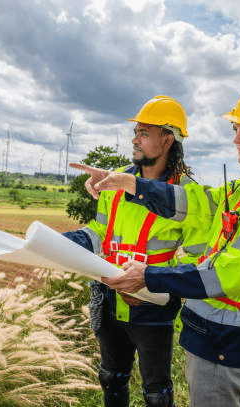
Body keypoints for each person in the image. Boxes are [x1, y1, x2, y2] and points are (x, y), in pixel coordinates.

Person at [74, 80, 240, 406]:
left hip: (225, 335)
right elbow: (195, 204)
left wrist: (150, 278)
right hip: (205, 328)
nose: (237, 138)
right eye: (237, 127)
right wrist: (129, 182)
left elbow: (234, 272)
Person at [64, 96, 210, 407]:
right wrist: (63, 243)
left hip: (153, 307)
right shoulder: (114, 181)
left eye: (144, 132)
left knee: (157, 392)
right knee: (111, 377)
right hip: (109, 299)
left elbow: (201, 262)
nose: (134, 139)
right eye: (136, 131)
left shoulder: (187, 196)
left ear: (167, 139)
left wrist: (152, 283)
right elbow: (99, 234)